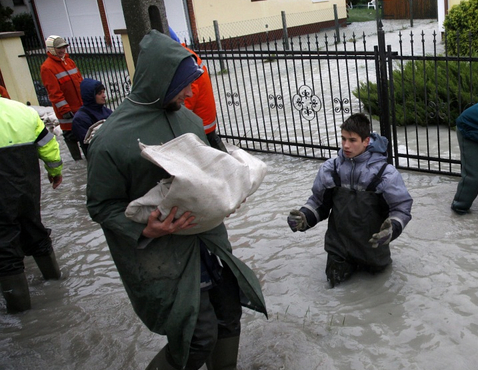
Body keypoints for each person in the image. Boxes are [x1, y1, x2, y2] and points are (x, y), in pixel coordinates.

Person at [86, 30, 267, 370]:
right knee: (196, 337)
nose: (190, 91)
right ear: (159, 81)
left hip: (210, 243)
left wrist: (232, 192)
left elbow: (212, 172)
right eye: (184, 84)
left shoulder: (189, 120)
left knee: (229, 316)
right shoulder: (110, 140)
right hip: (162, 256)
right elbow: (100, 206)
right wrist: (146, 230)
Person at [287, 113, 413, 288]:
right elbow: (318, 202)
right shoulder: (331, 169)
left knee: (380, 293)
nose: (346, 145)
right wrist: (304, 218)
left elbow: (401, 208)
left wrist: (392, 229)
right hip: (339, 250)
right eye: (343, 139)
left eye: (352, 140)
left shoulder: (386, 173)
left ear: (366, 141)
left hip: (373, 250)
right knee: (334, 294)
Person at [0, 98, 63, 314]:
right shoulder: (22, 111)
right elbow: (48, 144)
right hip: (26, 188)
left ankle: (21, 315)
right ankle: (56, 283)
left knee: (5, 247)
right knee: (34, 230)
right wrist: (55, 171)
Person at [168, 28, 227, 152]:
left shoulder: (183, 61)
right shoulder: (187, 56)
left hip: (200, 129)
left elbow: (189, 99)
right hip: (204, 124)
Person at [40, 35, 84, 161]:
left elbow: (80, 81)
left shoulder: (69, 62)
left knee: (85, 134)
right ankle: (77, 161)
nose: (63, 50)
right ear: (52, 49)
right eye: (59, 48)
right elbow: (54, 93)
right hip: (67, 110)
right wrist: (65, 110)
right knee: (70, 135)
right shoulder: (47, 67)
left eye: (64, 47)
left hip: (80, 105)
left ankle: (88, 159)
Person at [72, 78, 112, 158]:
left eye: (104, 92)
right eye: (100, 93)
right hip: (99, 159)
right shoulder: (80, 118)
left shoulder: (105, 111)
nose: (104, 96)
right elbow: (90, 144)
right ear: (91, 95)